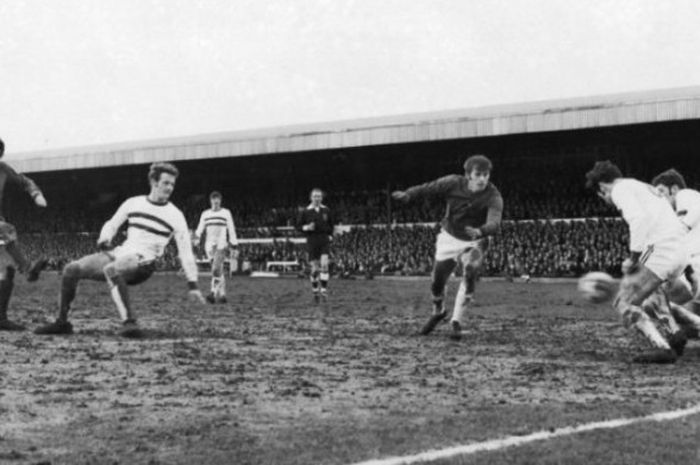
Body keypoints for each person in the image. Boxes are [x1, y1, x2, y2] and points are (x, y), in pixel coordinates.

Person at [35, 162, 205, 338]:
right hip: (121, 253)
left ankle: (129, 323)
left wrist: (192, 284)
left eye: (172, 184)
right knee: (71, 269)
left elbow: (185, 252)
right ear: (154, 182)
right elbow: (112, 223)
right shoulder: (134, 203)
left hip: (144, 262)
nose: (170, 188)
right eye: (166, 183)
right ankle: (62, 322)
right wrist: (105, 237)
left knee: (111, 269)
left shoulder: (175, 215)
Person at [585, 160, 688, 363]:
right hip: (679, 249)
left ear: (602, 186)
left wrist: (633, 258)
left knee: (623, 302)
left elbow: (638, 219)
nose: (604, 198)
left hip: (662, 248)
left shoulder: (619, 190)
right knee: (653, 290)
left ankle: (663, 348)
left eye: (601, 194)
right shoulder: (639, 186)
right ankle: (675, 334)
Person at [392, 154, 503, 340]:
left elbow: (495, 223)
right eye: (478, 174)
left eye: (486, 174)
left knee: (471, 270)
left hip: (475, 240)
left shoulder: (493, 196)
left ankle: (456, 321)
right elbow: (429, 188)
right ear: (468, 175)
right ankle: (438, 311)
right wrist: (409, 194)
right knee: (437, 282)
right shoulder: (452, 182)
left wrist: (481, 231)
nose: (483, 179)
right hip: (449, 238)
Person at [0, 137, 49, 331]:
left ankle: (1, 318)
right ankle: (28, 269)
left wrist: (36, 194)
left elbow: (24, 180)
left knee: (5, 272)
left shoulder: (3, 170)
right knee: (6, 230)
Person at [194, 191, 238, 303]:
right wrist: (195, 241)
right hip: (209, 246)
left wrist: (234, 245)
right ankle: (222, 295)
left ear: (220, 201)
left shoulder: (226, 213)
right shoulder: (205, 214)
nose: (216, 203)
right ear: (211, 201)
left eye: (218, 201)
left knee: (215, 269)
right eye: (214, 201)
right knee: (218, 271)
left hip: (221, 245)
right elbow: (199, 229)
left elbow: (231, 229)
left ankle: (213, 293)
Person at [296, 188, 334, 302]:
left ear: (321, 198)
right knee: (315, 268)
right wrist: (306, 227)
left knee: (324, 265)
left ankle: (323, 290)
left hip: (324, 240)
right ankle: (315, 289)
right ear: (311, 198)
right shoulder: (305, 212)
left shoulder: (326, 210)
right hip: (312, 240)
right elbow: (298, 227)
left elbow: (331, 224)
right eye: (315, 196)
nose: (317, 198)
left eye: (319, 196)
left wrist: (330, 235)